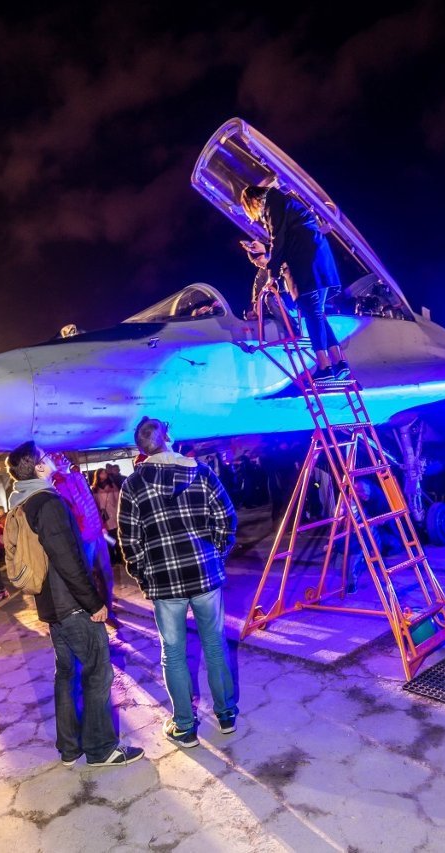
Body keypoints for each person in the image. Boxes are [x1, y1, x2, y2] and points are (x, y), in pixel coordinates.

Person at [5, 441, 143, 768]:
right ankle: (101, 749)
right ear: (39, 467)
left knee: (66, 674)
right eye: (45, 456)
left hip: (52, 605)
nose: (53, 458)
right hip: (71, 603)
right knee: (98, 672)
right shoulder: (48, 503)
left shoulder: (24, 503)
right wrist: (93, 602)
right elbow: (67, 559)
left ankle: (69, 748)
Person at [119, 417, 239, 746]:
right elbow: (226, 518)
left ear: (141, 448)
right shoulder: (201, 472)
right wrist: (216, 554)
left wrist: (144, 574)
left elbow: (130, 540)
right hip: (204, 573)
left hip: (164, 580)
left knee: (173, 653)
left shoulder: (133, 485)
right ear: (168, 436)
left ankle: (185, 726)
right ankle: (226, 714)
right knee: (214, 644)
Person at [240, 184, 349, 381]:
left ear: (253, 201)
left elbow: (279, 239)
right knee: (317, 313)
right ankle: (339, 362)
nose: (256, 216)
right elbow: (287, 237)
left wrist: (272, 275)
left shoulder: (272, 201)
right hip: (316, 259)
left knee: (312, 313)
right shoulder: (283, 202)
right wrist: (264, 249)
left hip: (305, 263)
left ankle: (324, 366)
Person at [49, 452, 118, 628]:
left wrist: (101, 524)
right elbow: (71, 512)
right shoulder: (57, 484)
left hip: (97, 533)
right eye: (56, 457)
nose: (62, 458)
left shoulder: (78, 476)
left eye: (62, 455)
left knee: (106, 576)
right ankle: (93, 614)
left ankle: (108, 611)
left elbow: (91, 502)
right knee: (87, 580)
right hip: (83, 538)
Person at [92, 469, 122, 566]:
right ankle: (112, 558)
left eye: (105, 472)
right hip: (103, 516)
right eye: (102, 473)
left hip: (114, 514)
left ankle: (120, 557)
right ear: (98, 475)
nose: (104, 474)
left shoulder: (112, 486)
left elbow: (119, 499)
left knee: (117, 536)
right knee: (107, 538)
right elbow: (94, 503)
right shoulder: (95, 489)